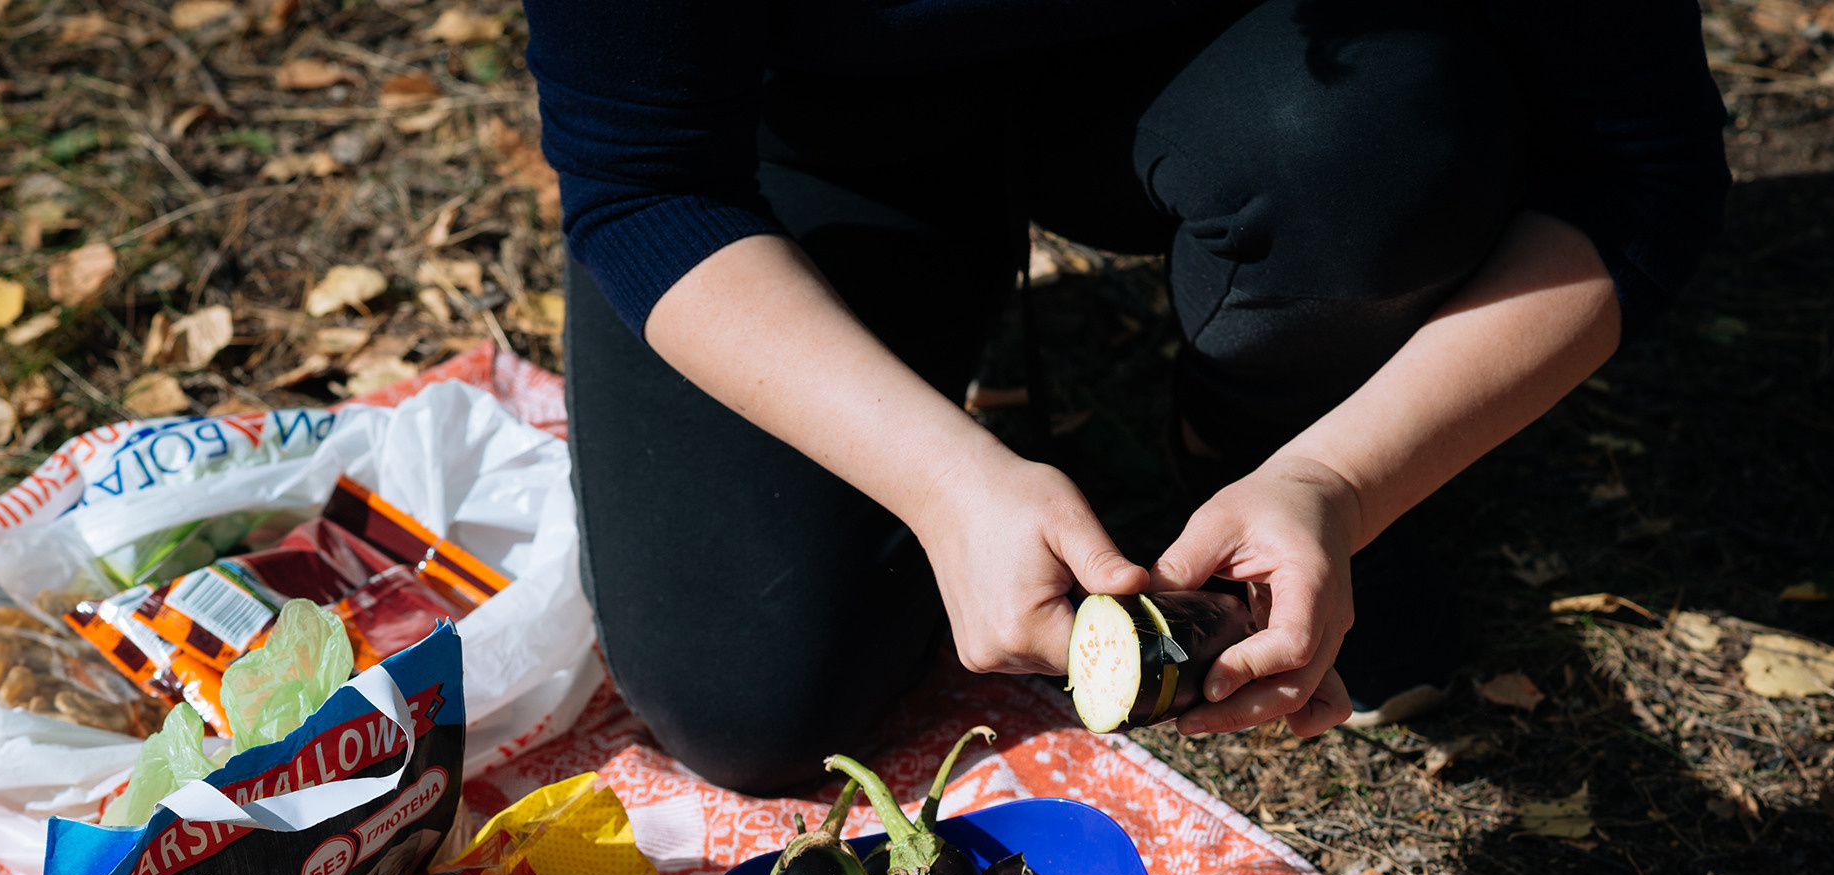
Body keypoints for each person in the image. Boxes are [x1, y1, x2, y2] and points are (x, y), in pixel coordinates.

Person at [524, 0, 1728, 795]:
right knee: (754, 699)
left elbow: (1636, 165)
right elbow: (646, 182)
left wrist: (1342, 475)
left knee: (1371, 146)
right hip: (819, 119)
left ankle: (1255, 436)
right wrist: (941, 480)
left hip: (1251, 72)